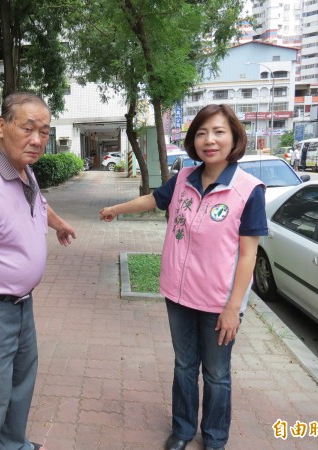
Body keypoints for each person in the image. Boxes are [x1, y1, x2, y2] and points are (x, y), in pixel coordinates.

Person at [100, 104, 267, 450]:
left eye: (219, 132)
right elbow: (153, 200)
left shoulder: (249, 190)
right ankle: (183, 429)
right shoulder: (184, 179)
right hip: (178, 295)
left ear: (234, 137)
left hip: (219, 302)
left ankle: (215, 438)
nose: (210, 140)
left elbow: (248, 254)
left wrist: (233, 308)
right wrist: (116, 210)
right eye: (202, 133)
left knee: (217, 374)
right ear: (193, 140)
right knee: (184, 365)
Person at [0, 91, 76, 450]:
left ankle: (14, 444)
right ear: (3, 127)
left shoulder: (24, 172)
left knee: (20, 384)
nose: (37, 140)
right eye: (28, 128)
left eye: (45, 132)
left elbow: (39, 204)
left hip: (22, 306)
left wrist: (58, 224)